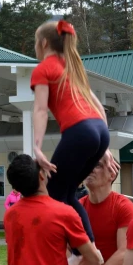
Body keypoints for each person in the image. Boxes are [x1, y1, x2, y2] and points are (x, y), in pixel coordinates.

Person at [31, 19, 117, 243]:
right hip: (98, 129)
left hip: (80, 131)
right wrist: (103, 147)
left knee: (52, 194)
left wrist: (37, 148)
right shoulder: (73, 68)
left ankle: (75, 250)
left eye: (35, 43)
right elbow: (98, 107)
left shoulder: (43, 68)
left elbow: (40, 110)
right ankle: (88, 250)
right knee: (68, 194)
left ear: (44, 43)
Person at [4, 154, 104, 265]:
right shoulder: (64, 213)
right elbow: (94, 259)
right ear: (41, 176)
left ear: (16, 188)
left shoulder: (10, 215)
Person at [79, 158, 133, 265]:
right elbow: (67, 249)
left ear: (112, 175)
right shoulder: (79, 206)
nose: (90, 168)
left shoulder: (123, 206)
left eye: (98, 165)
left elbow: (124, 252)